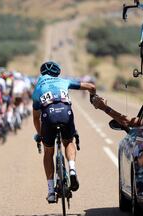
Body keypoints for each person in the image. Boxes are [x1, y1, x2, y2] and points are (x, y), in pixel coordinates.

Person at [32, 61, 96, 203]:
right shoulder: (64, 81)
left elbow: (36, 118)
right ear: (58, 72)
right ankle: (72, 169)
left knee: (49, 152)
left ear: (42, 74)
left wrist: (40, 134)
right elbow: (91, 86)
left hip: (48, 115)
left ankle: (50, 192)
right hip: (65, 113)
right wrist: (93, 96)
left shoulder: (38, 88)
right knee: (68, 142)